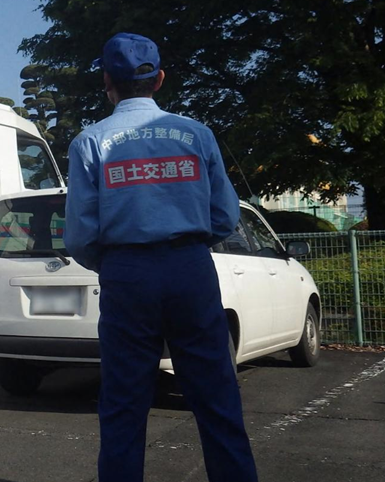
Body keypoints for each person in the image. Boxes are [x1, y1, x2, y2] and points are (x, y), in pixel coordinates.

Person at [63, 33, 256, 482]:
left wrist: (115, 263)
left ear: (106, 80)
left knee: (124, 403)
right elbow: (225, 216)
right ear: (160, 79)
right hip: (190, 266)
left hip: (126, 272)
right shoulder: (195, 134)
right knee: (216, 397)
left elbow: (80, 235)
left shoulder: (89, 142)